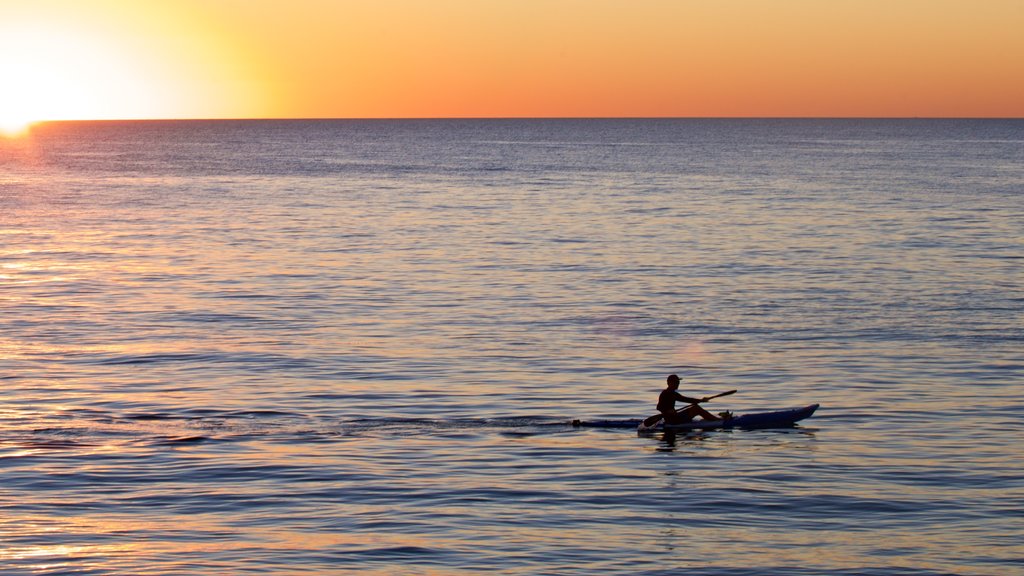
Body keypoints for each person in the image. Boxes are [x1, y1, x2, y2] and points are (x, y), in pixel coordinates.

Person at [657, 374, 723, 425]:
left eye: (678, 382)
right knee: (696, 408)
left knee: (695, 407)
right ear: (669, 383)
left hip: (673, 418)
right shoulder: (668, 393)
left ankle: (713, 419)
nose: (678, 384)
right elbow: (659, 407)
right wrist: (667, 412)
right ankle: (717, 421)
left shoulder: (670, 393)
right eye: (675, 382)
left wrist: (700, 400)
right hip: (674, 420)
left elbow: (686, 399)